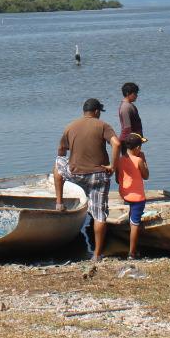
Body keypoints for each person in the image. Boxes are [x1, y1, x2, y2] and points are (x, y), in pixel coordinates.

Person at [54, 97, 120, 260]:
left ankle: (59, 203)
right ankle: (97, 254)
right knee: (99, 214)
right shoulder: (103, 125)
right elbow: (117, 144)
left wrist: (70, 160)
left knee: (57, 164)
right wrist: (113, 166)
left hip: (76, 175)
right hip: (98, 176)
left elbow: (61, 149)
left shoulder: (70, 126)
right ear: (96, 112)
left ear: (84, 111)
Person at [114, 133, 150, 259]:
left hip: (125, 194)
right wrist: (143, 160)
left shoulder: (119, 160)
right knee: (135, 223)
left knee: (132, 218)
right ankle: (132, 253)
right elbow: (146, 176)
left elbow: (118, 180)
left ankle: (132, 244)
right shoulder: (139, 160)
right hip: (137, 197)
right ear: (138, 148)